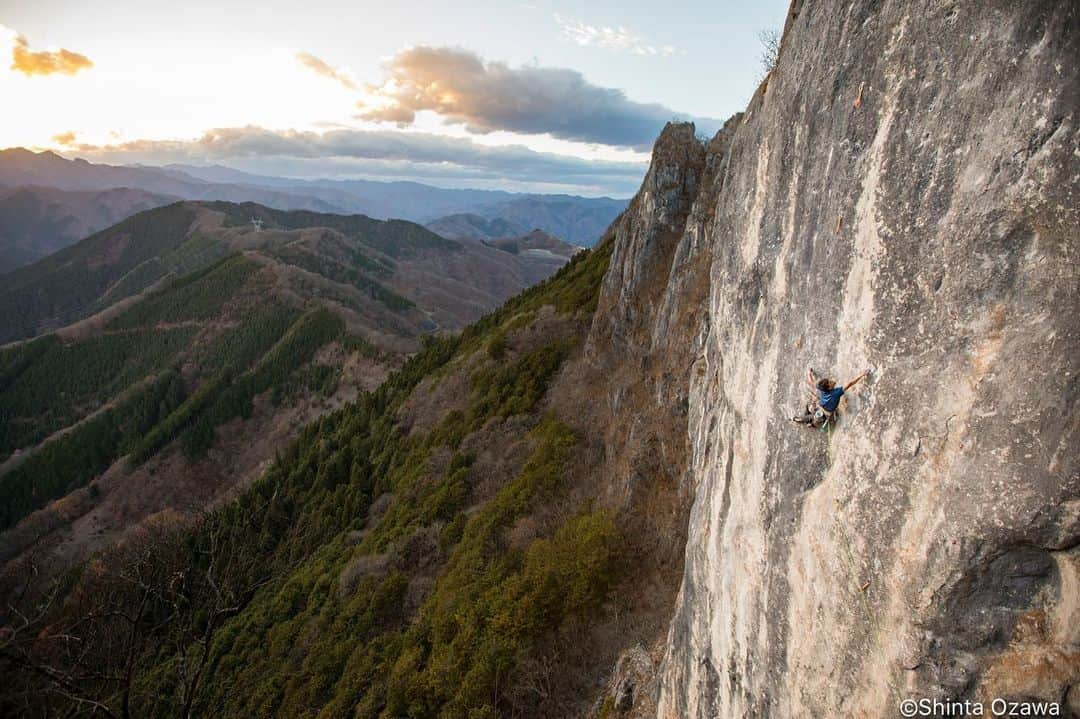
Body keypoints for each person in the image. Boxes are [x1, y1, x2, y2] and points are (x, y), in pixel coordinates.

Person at [792, 366, 871, 428]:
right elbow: (850, 383)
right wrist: (862, 374)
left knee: (812, 409)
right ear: (829, 388)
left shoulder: (822, 389)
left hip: (820, 406)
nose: (831, 381)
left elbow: (811, 382)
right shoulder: (836, 393)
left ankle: (808, 416)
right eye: (830, 382)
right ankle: (799, 420)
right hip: (824, 414)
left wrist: (809, 373)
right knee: (811, 417)